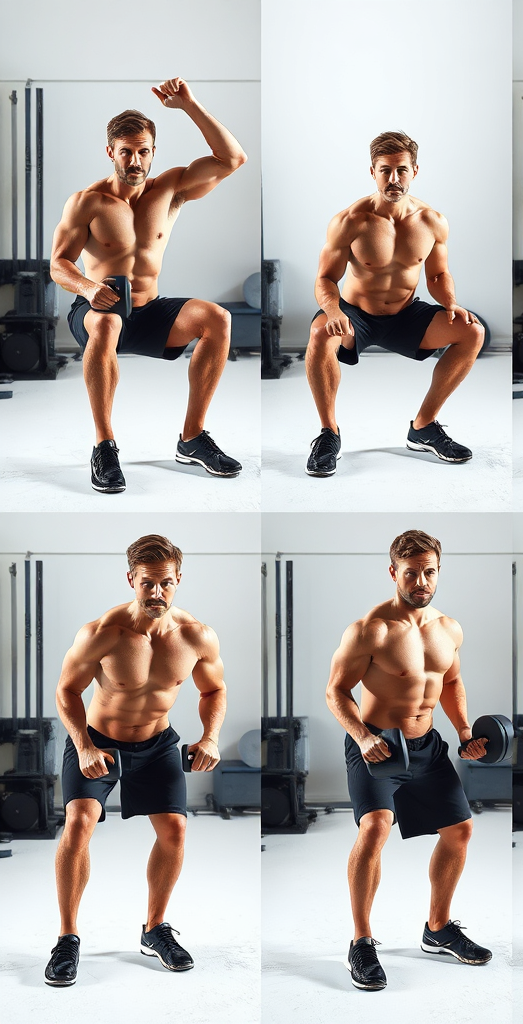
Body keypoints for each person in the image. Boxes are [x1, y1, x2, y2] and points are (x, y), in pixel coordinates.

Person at [45, 535, 227, 986]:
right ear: (132, 580)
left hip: (158, 743)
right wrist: (84, 746)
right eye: (147, 584)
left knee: (175, 828)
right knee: (79, 823)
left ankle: (154, 929)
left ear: (178, 581)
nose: (157, 593)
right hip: (98, 742)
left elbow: (214, 689)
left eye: (166, 583)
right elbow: (66, 691)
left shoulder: (196, 636)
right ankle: (67, 937)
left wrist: (211, 737)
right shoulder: (101, 633)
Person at [51, 78, 247, 493]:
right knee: (105, 325)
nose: (135, 161)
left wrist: (190, 105)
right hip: (96, 310)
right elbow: (58, 264)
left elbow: (233, 158)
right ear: (111, 153)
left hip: (148, 308)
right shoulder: (87, 201)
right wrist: (87, 289)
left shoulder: (170, 189)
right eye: (126, 152)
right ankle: (104, 447)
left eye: (143, 151)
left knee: (218, 318)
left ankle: (192, 438)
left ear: (153, 152)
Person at [325, 530, 491, 990]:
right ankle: (361, 941)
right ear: (394, 571)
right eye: (412, 572)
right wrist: (360, 735)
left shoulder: (448, 628)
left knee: (460, 830)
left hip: (427, 745)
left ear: (439, 571)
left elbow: (452, 683)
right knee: (376, 826)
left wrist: (462, 731)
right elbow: (335, 691)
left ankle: (438, 929)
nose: (421, 580)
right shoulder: (369, 629)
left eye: (429, 571)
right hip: (377, 745)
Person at [304, 132, 485, 477]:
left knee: (473, 331)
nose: (393, 179)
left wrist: (450, 303)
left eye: (401, 170)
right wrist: (333, 310)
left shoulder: (432, 221)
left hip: (405, 315)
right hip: (356, 315)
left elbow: (438, 274)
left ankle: (424, 427)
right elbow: (325, 278)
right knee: (319, 335)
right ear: (372, 171)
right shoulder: (350, 221)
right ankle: (328, 435)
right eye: (385, 170)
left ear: (415, 170)